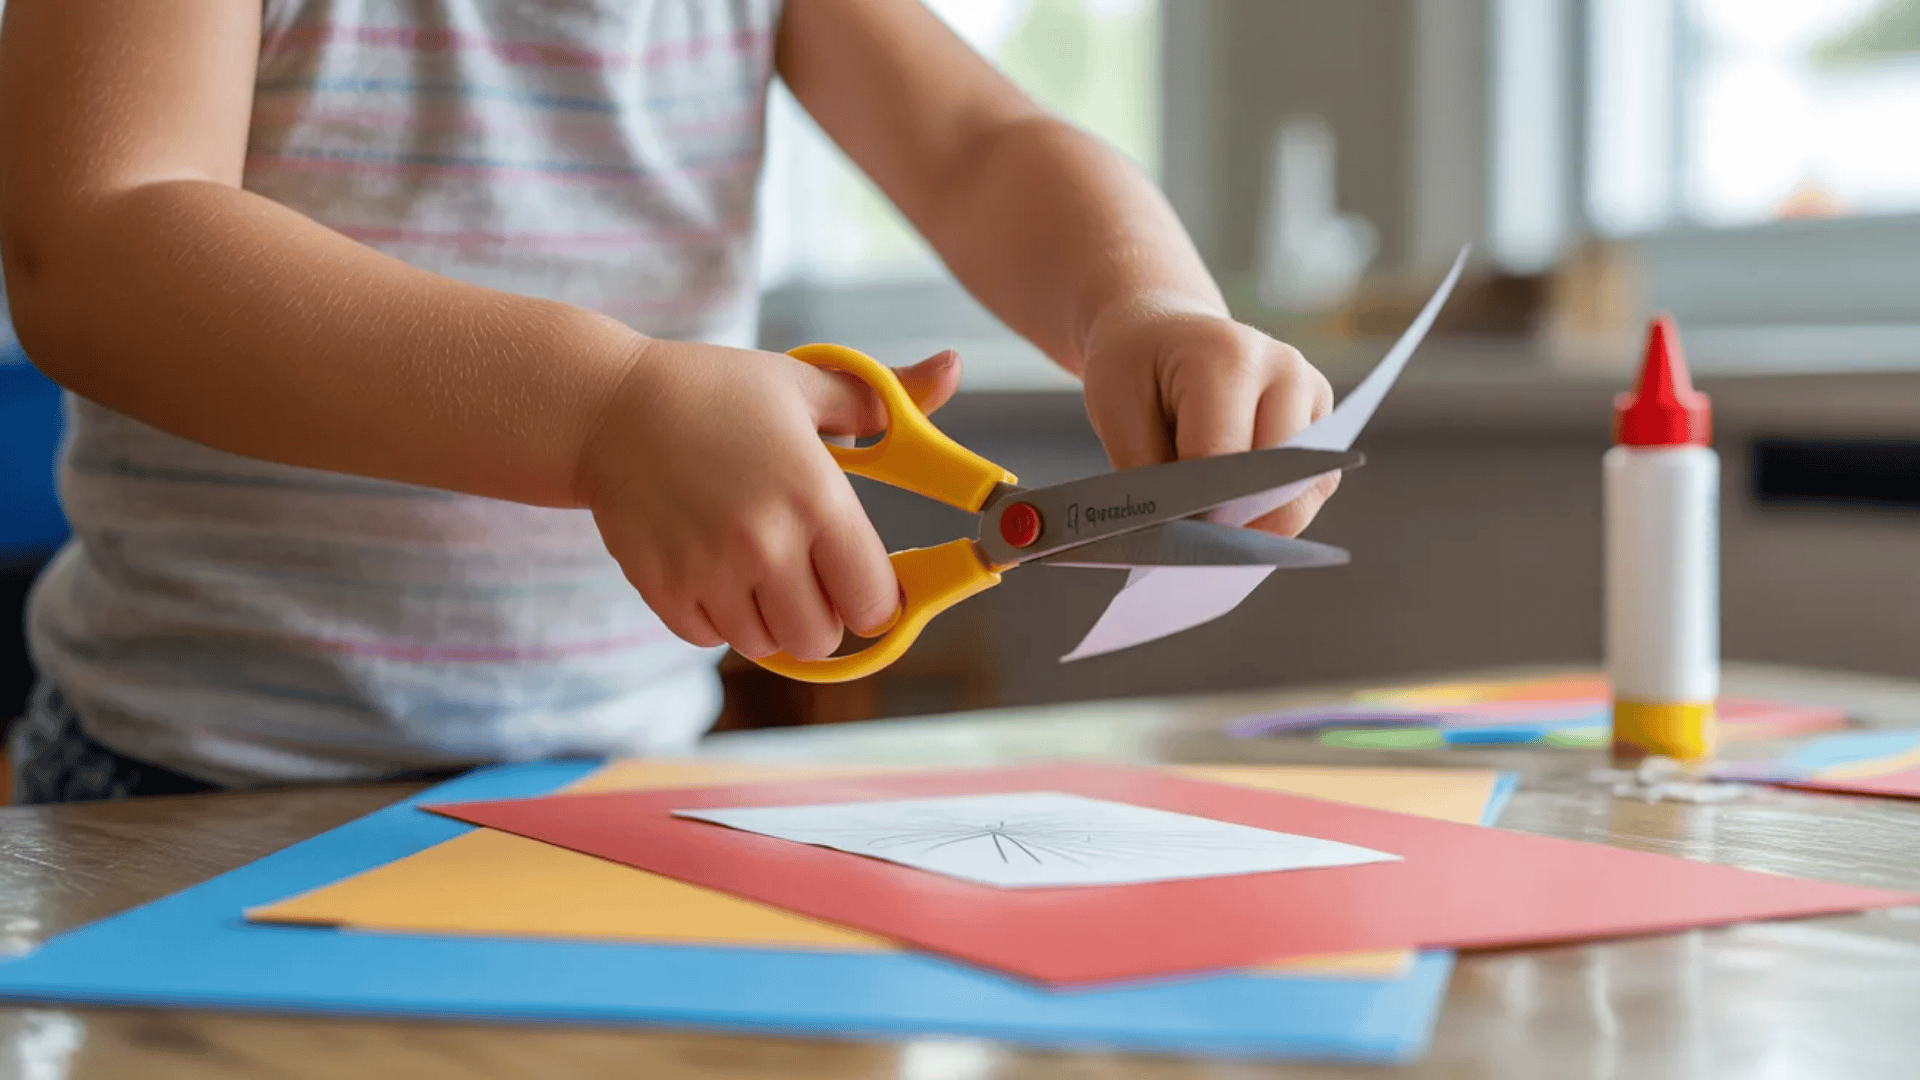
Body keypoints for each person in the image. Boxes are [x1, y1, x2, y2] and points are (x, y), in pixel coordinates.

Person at [0, 0, 1338, 803]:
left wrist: (1148, 304)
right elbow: (97, 242)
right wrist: (604, 409)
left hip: (620, 789)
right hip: (193, 787)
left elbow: (980, 146)